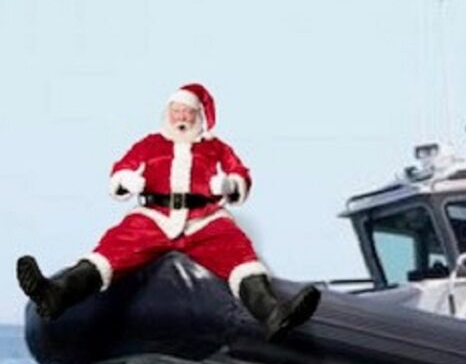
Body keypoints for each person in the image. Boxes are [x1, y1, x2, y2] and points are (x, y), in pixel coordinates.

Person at [16, 83, 320, 341]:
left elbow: (240, 175)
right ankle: (55, 294)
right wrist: (126, 180)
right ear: (168, 114)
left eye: (187, 112)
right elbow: (121, 170)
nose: (181, 117)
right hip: (155, 215)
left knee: (240, 258)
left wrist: (229, 183)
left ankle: (273, 314)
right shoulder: (150, 145)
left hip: (205, 218)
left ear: (198, 116)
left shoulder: (216, 149)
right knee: (110, 253)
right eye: (176, 111)